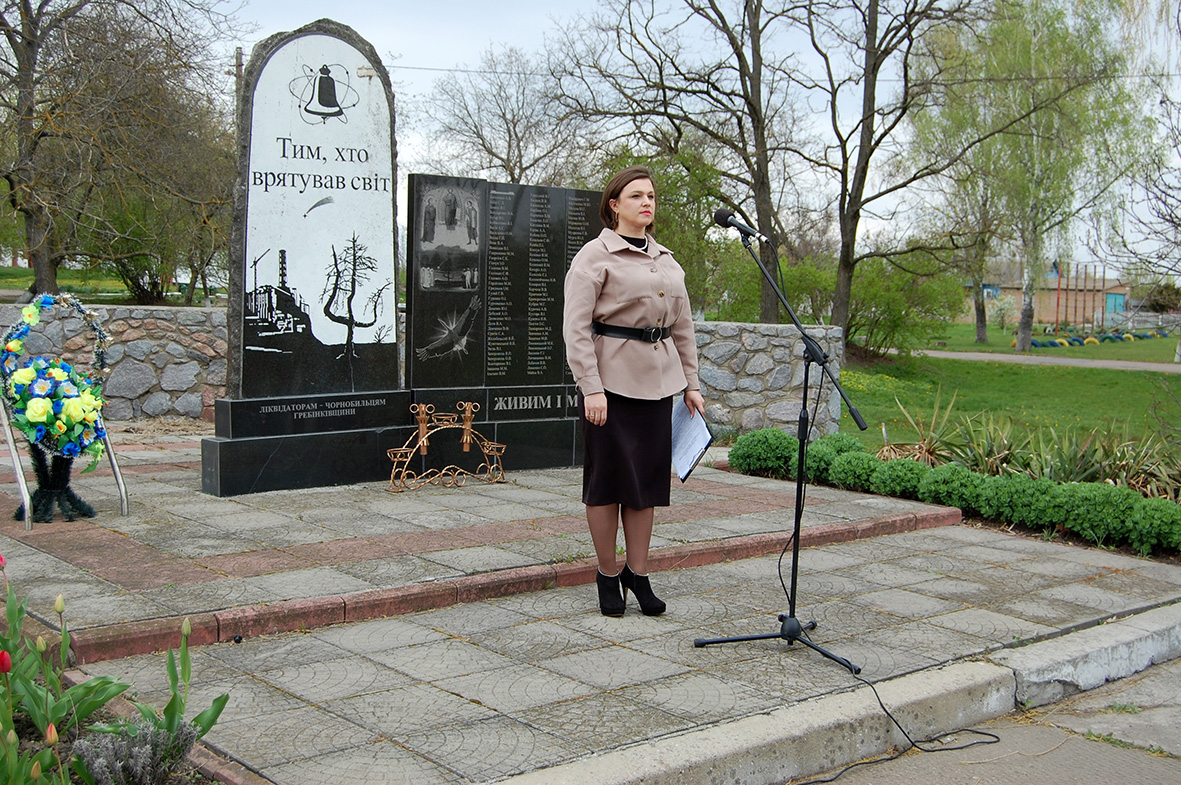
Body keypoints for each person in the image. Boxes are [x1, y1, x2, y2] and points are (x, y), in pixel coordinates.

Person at [562, 165, 706, 617]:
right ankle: (608, 574)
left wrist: (691, 385)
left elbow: (683, 328)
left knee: (646, 484)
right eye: (636, 196)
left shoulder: (668, 260)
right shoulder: (595, 256)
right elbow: (575, 329)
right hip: (609, 387)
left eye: (651, 196)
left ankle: (638, 574)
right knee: (606, 483)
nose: (647, 202)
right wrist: (591, 388)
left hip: (658, 386)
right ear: (614, 205)